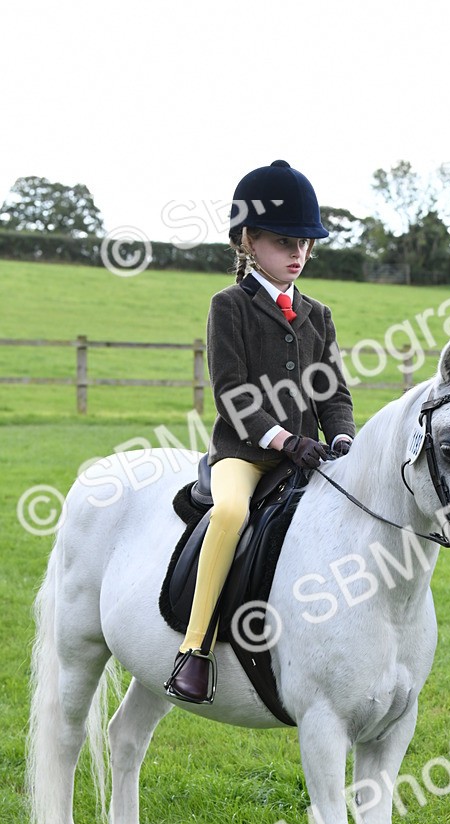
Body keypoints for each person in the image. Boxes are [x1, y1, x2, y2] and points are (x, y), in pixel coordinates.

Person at [165, 160, 356, 704]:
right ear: (248, 241)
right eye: (282, 241)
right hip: (245, 455)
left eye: (305, 243)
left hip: (310, 454)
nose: (298, 254)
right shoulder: (228, 306)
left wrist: (342, 438)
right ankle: (195, 647)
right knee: (230, 513)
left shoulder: (318, 314)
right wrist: (282, 439)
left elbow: (333, 393)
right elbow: (231, 391)